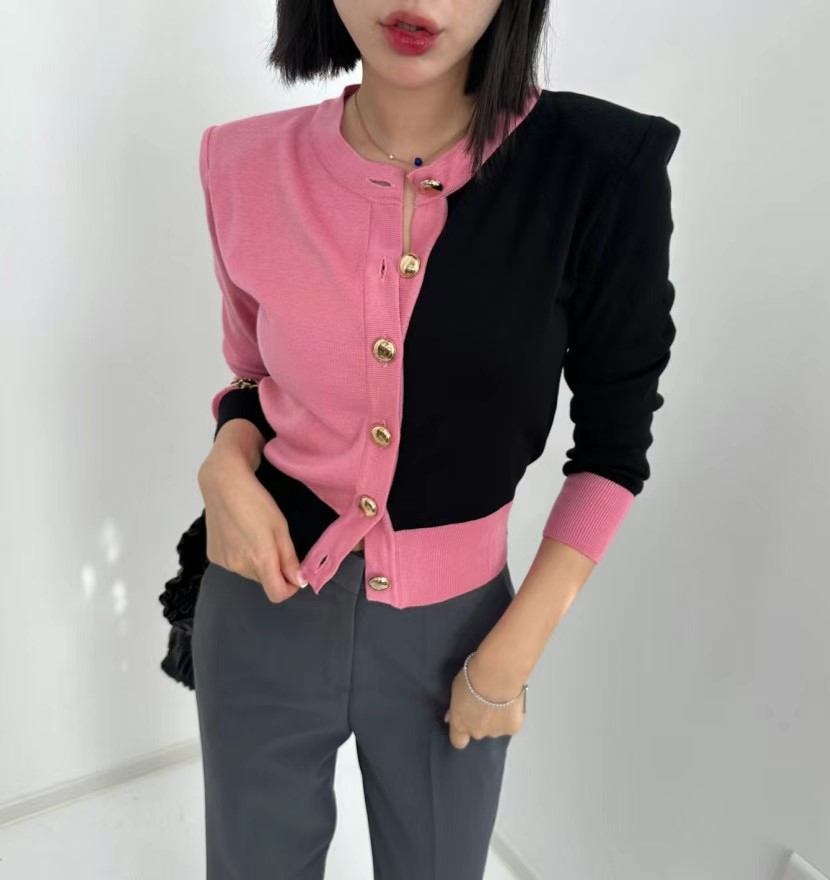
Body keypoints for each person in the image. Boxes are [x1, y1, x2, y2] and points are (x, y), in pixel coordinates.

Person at [190, 1, 681, 878]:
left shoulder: (599, 167)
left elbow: (614, 449)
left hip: (460, 642)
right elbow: (252, 379)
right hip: (258, 605)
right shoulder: (243, 163)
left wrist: (511, 654)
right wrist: (225, 462)